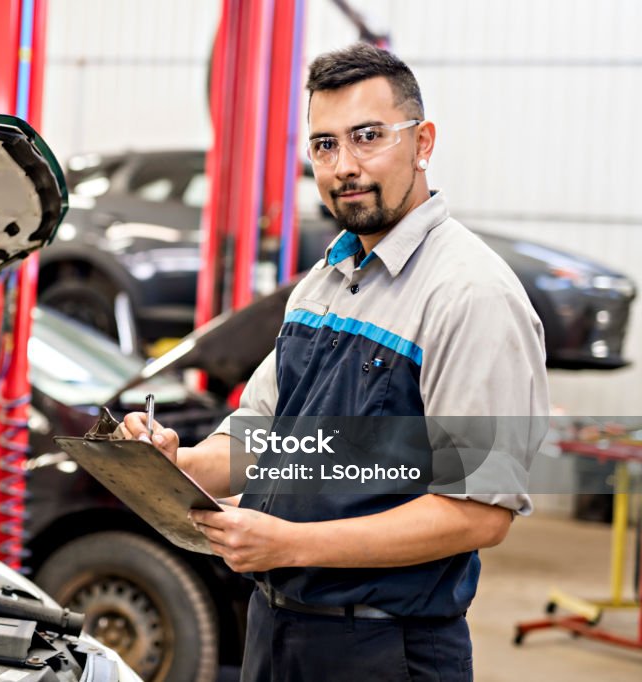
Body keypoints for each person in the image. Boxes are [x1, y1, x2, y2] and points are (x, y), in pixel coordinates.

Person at [119, 43, 549, 681]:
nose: (344, 166)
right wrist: (174, 460)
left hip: (383, 651)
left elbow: (478, 514)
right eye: (324, 145)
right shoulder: (323, 284)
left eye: (367, 137)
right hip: (275, 629)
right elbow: (262, 435)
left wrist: (288, 543)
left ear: (422, 141)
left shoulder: (470, 294)